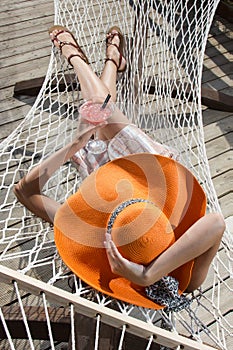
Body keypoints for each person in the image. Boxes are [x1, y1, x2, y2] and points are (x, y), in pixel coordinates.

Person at [14, 25, 225, 312]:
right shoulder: (185, 280)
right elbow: (216, 222)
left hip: (102, 188)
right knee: (99, 108)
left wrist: (73, 146)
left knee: (97, 111)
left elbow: (24, 192)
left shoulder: (87, 234)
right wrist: (147, 274)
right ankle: (92, 57)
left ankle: (92, 59)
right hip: (152, 181)